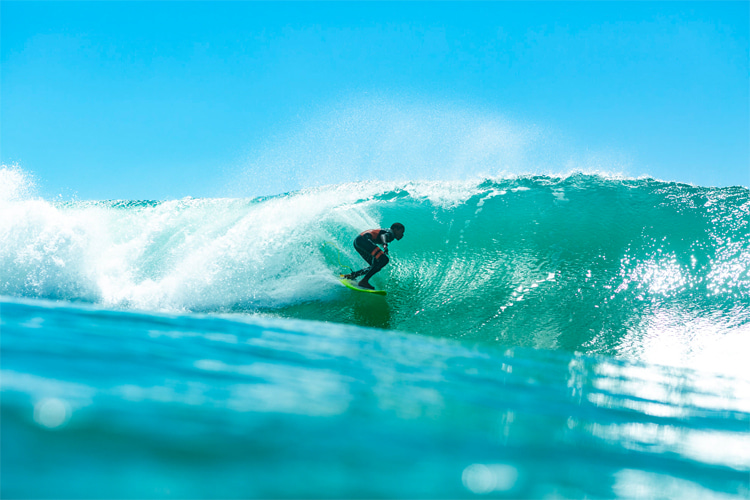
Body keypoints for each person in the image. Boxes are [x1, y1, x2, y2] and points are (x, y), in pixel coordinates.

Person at [343, 223, 405, 290]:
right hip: (364, 240)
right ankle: (364, 281)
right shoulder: (390, 233)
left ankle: (352, 275)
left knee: (374, 265)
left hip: (358, 241)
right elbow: (383, 236)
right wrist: (384, 245)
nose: (402, 235)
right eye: (401, 232)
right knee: (384, 260)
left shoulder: (387, 231)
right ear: (395, 229)